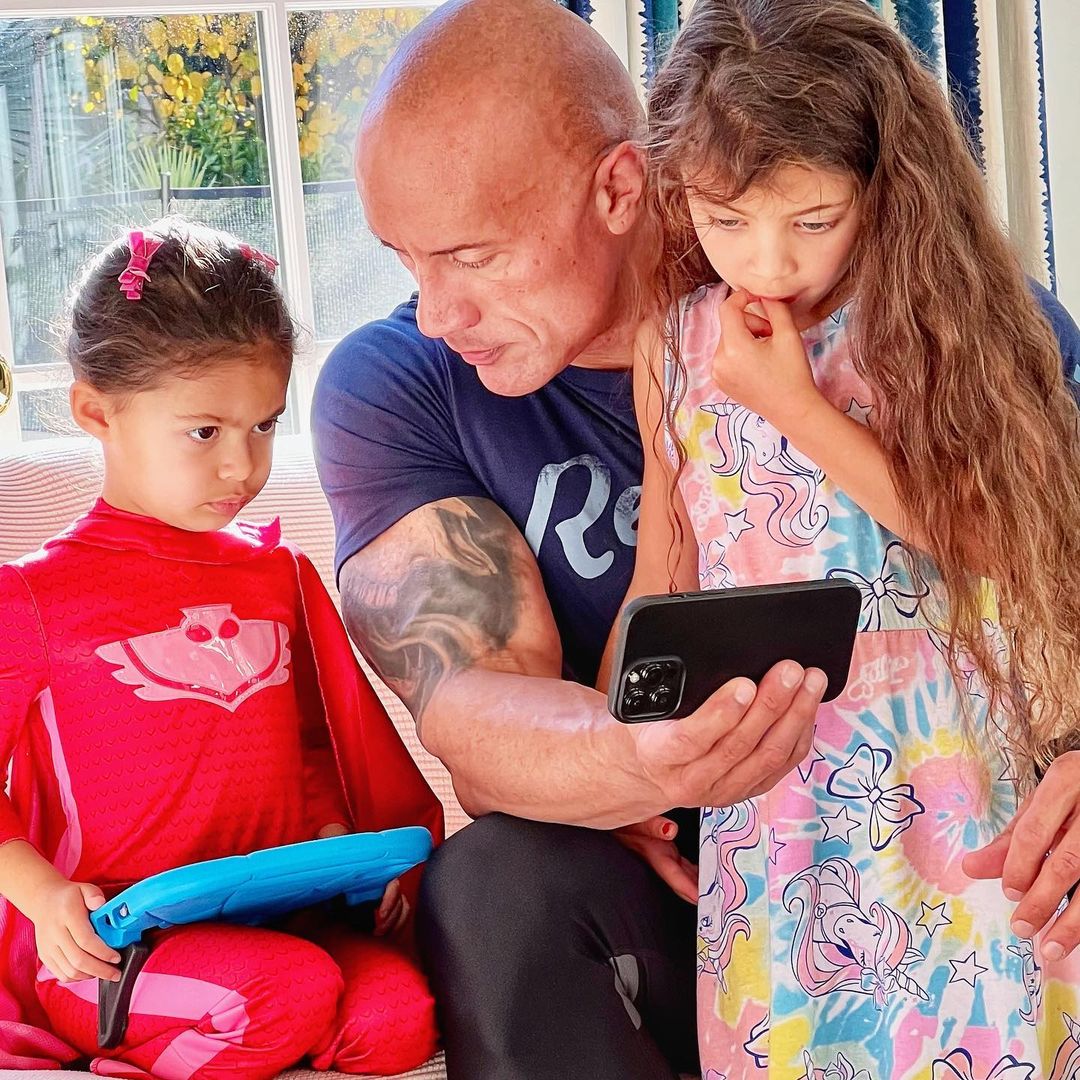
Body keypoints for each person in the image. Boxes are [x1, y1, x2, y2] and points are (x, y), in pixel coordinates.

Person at [311, 1, 829, 1076]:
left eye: (472, 255)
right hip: (670, 886)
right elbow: (474, 709)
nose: (437, 311)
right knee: (494, 882)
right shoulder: (395, 385)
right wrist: (627, 759)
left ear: (619, 189)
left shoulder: (845, 298)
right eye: (407, 259)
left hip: (925, 829)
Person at [618, 1, 1080, 1076]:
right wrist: (624, 766)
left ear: (885, 186)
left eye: (813, 220)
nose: (767, 261)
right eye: (726, 221)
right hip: (777, 804)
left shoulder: (946, 322)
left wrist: (794, 406)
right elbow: (663, 577)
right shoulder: (672, 346)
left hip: (951, 777)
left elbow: (997, 540)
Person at [0, 218, 443, 1078]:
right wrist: (41, 896)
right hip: (112, 948)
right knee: (283, 995)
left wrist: (338, 840)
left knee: (399, 1020)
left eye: (264, 425)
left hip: (282, 921)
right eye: (205, 431)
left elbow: (311, 747)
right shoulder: (32, 599)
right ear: (96, 411)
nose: (243, 467)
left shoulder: (276, 577)